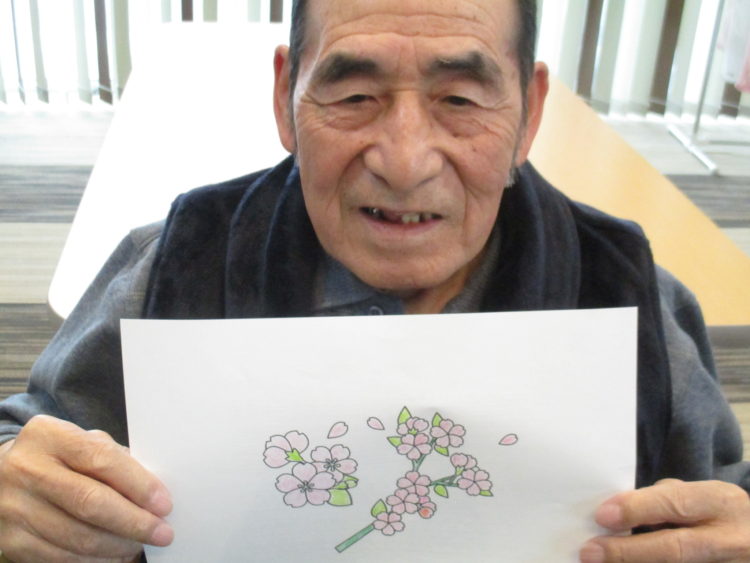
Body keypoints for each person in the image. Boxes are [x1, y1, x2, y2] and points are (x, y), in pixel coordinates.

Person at [0, 0, 748, 561]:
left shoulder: (633, 297)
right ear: (286, 98)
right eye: (355, 96)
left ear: (528, 113)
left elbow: (720, 498)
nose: (404, 160)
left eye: (460, 99)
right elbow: (28, 438)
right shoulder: (173, 266)